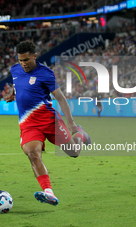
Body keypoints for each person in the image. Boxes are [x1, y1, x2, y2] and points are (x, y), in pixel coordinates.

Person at [5, 41, 91, 206]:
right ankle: (49, 193)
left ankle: (80, 134)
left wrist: (72, 125)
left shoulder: (45, 73)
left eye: (27, 60)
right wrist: (13, 94)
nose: (24, 64)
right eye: (21, 60)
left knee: (74, 152)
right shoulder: (15, 69)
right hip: (29, 124)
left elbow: (60, 98)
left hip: (50, 121)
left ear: (35, 56)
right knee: (32, 153)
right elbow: (18, 83)